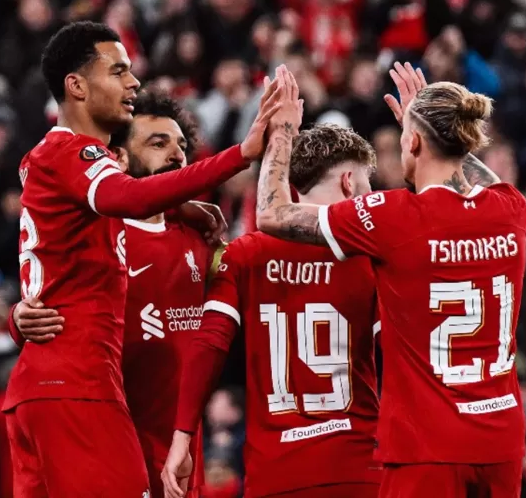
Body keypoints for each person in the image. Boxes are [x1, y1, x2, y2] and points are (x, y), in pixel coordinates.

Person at [5, 22, 280, 497]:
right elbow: (128, 197)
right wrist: (241, 154)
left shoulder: (56, 168)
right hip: (79, 388)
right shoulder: (74, 154)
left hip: (54, 387)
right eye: (118, 71)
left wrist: (178, 207)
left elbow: (71, 247)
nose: (132, 82)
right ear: (76, 85)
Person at [252, 64, 526, 497]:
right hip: (502, 441)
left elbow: (272, 215)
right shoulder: (511, 208)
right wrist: (433, 127)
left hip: (428, 446)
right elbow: (480, 183)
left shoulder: (393, 217)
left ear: (412, 142)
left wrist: (283, 132)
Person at [8, 91, 226, 497]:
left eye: (181, 145)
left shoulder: (202, 236)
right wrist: (20, 317)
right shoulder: (100, 235)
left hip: (181, 450)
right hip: (109, 435)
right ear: (118, 160)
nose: (177, 155)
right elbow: (46, 292)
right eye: (158, 143)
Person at [161, 123, 383, 498]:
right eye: (367, 184)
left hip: (274, 471)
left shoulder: (245, 253)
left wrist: (182, 436)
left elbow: (208, 345)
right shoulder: (371, 256)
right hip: (356, 465)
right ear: (349, 183)